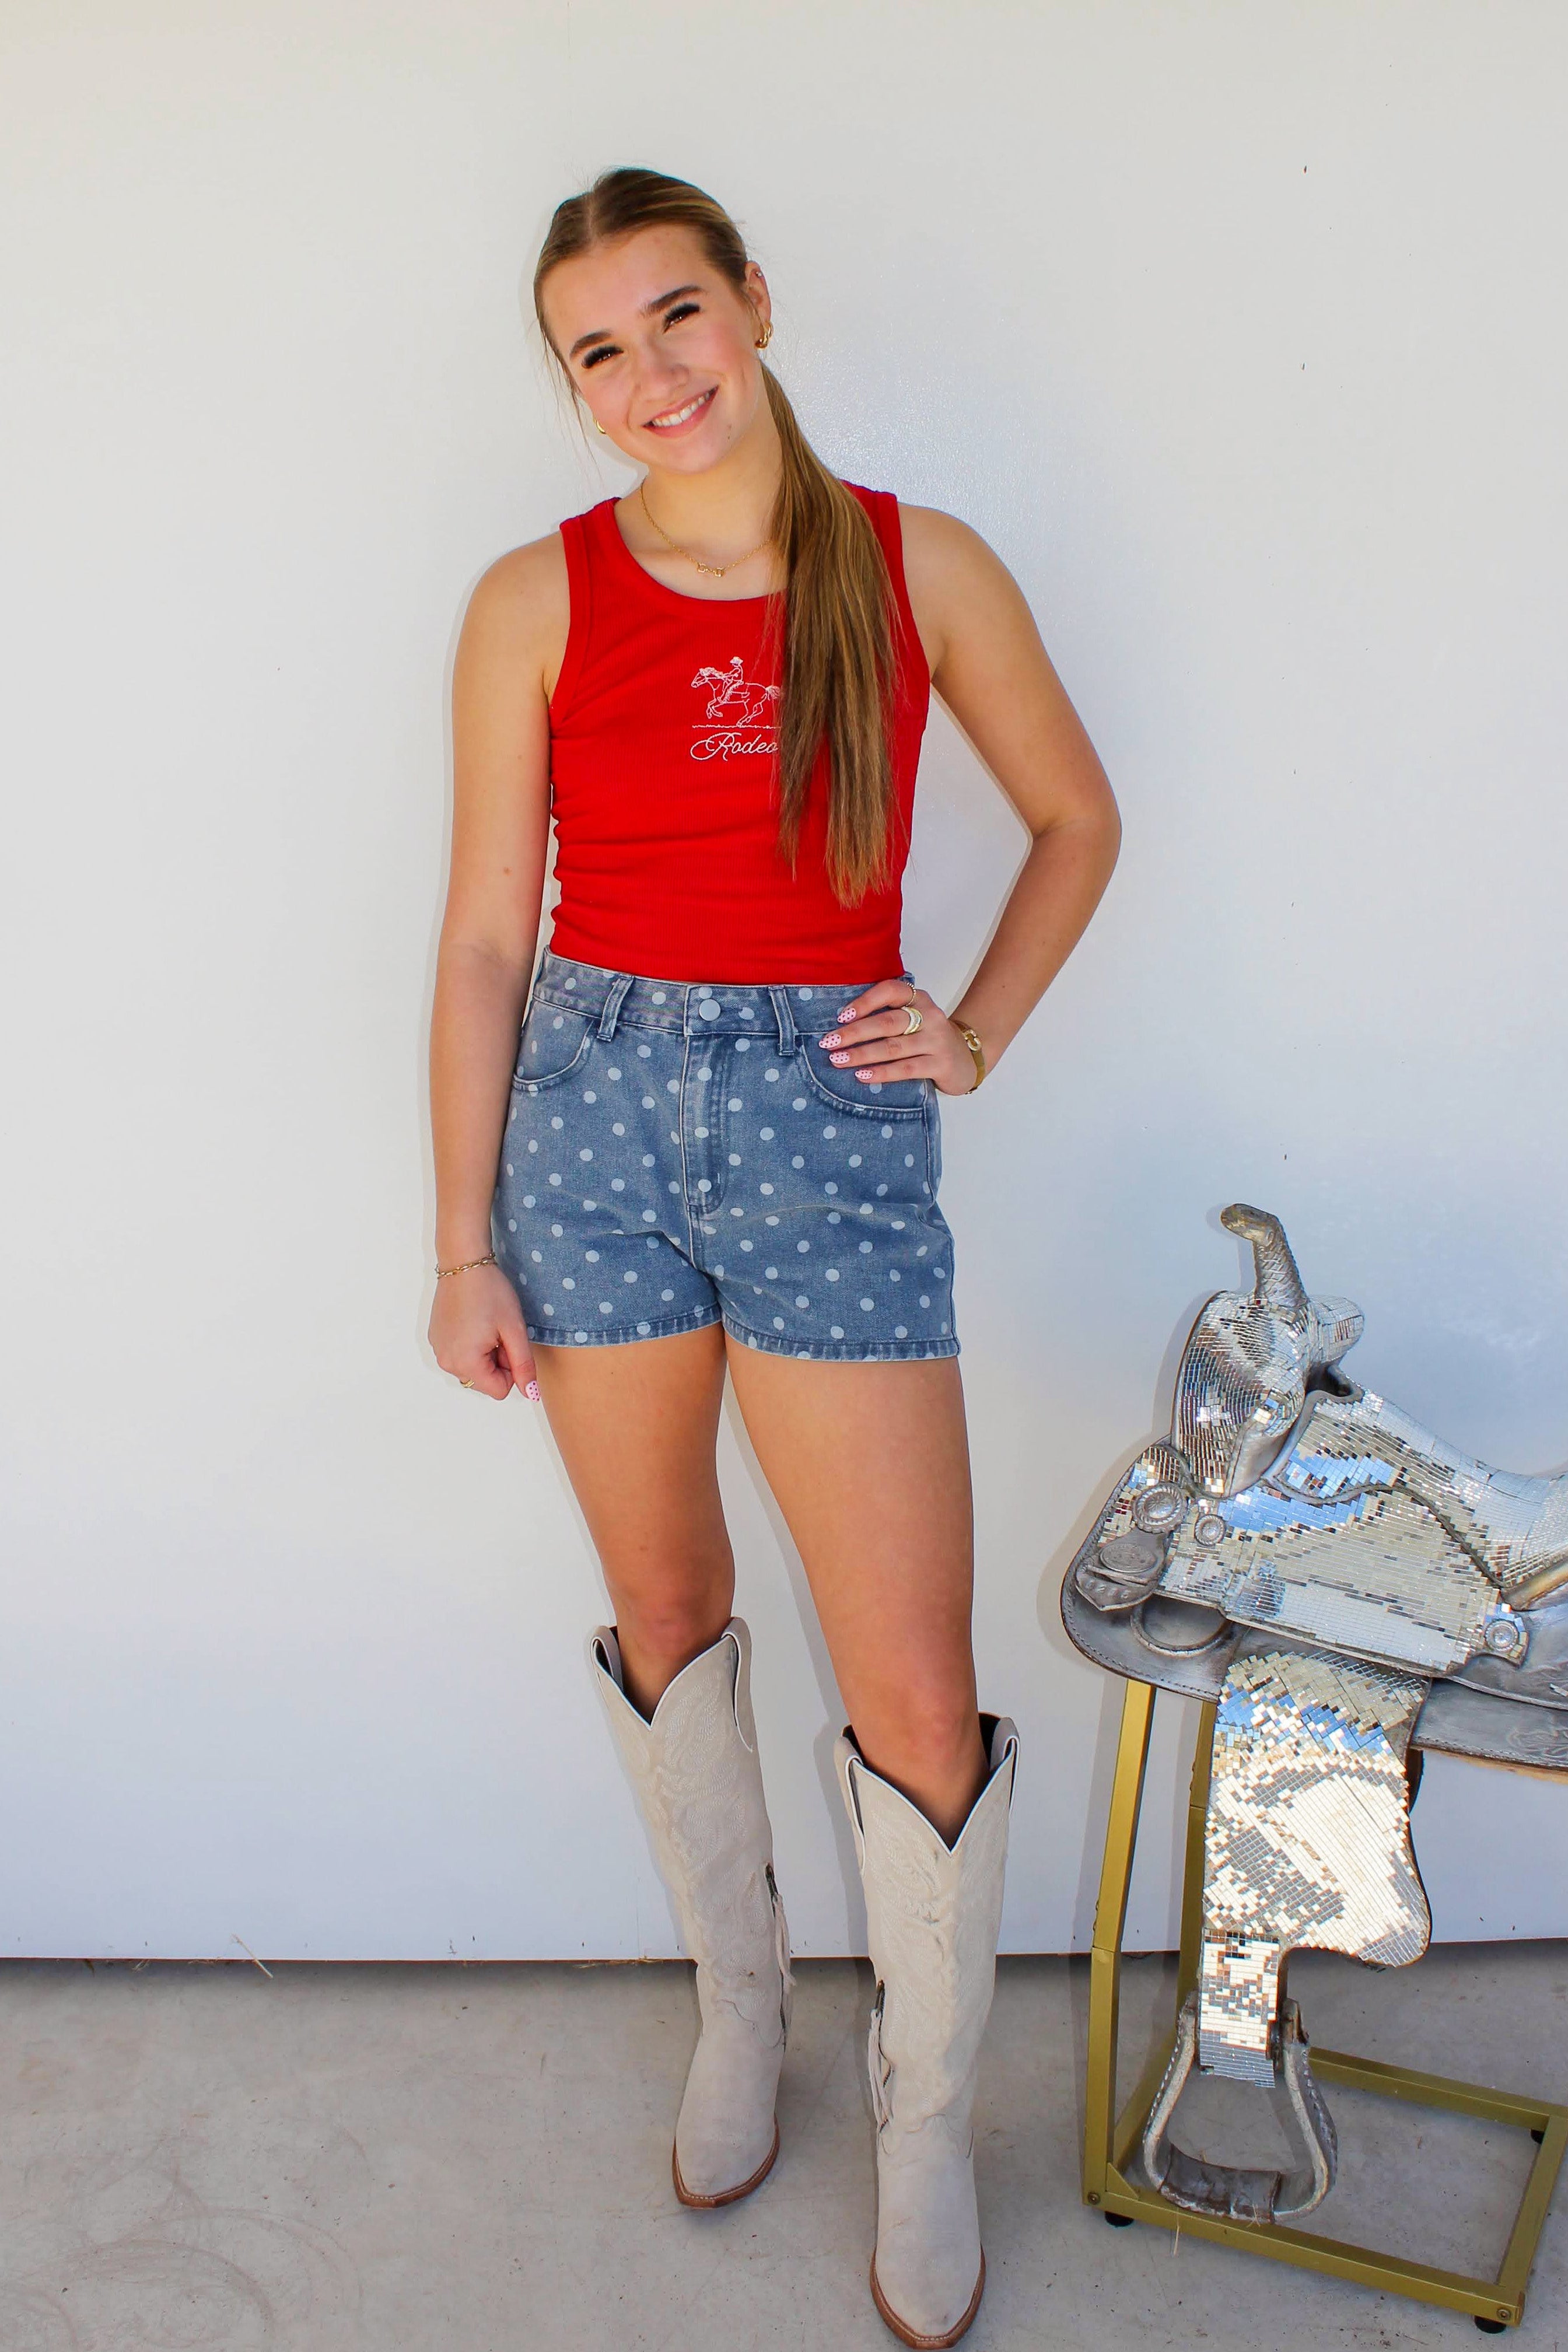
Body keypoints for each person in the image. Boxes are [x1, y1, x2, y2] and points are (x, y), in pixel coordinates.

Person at [427, 166, 1119, 2348]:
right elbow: (482, 939)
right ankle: (746, 2011)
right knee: (668, 1605)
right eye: (598, 349)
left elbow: (1077, 816)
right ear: (572, 385)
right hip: (591, 1123)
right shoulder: (534, 599)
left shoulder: (918, 566)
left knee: (911, 1683)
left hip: (829, 1124)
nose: (652, 374)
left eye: (676, 314)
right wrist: (460, 1242)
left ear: (752, 300)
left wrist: (973, 1031)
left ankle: (927, 2113)